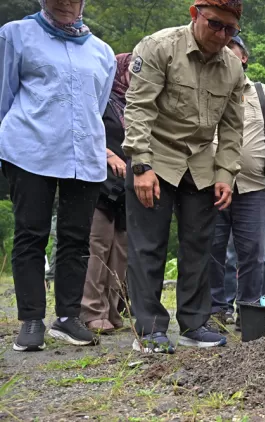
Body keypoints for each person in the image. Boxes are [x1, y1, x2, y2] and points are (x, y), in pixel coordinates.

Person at [123, 0, 245, 354]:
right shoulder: (160, 47)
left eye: (230, 29)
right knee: (148, 245)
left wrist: (225, 174)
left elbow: (233, 128)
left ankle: (194, 323)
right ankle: (149, 329)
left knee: (200, 247)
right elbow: (139, 108)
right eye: (215, 24)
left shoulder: (234, 68)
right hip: (157, 157)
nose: (221, 35)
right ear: (195, 14)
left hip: (201, 164)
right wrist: (141, 166)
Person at [0, 0, 116, 352]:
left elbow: (97, 105)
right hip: (30, 150)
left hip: (85, 155)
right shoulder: (16, 35)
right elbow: (4, 96)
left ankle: (68, 318)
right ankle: (31, 319)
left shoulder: (101, 51)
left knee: (76, 238)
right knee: (31, 232)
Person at [208, 35, 265, 330]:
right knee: (213, 249)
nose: (227, 56)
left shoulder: (261, 92)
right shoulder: (208, 87)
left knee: (253, 252)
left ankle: (248, 311)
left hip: (253, 186)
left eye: (234, 51)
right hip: (212, 184)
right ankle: (217, 310)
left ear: (244, 58)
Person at [80, 53, 132, 333]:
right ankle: (91, 310)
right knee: (97, 246)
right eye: (131, 72)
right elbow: (86, 132)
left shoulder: (134, 105)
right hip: (100, 182)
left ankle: (112, 309)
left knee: (120, 250)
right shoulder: (100, 100)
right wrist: (108, 154)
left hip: (126, 188)